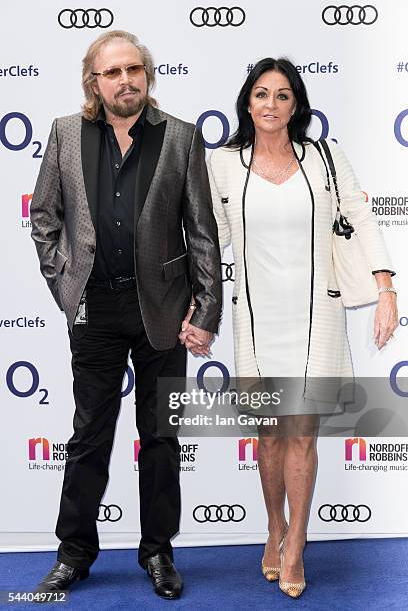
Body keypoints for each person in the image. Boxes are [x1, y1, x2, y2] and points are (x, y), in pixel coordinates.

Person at [30, 30, 221, 600]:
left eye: (133, 69)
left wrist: (206, 308)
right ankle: (74, 553)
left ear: (148, 75)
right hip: (93, 307)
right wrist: (65, 285)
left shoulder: (181, 138)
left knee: (161, 437)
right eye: (112, 72)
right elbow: (44, 216)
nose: (125, 80)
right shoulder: (67, 133)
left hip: (162, 309)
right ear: (94, 81)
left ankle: (158, 551)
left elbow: (202, 232)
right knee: (89, 434)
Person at [207, 57, 398, 598]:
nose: (271, 104)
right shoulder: (222, 164)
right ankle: (273, 527)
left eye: (283, 95)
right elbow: (207, 239)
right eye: (262, 93)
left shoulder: (326, 158)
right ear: (247, 102)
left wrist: (386, 289)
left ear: (297, 104)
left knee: (303, 432)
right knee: (269, 434)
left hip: (320, 313)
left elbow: (361, 221)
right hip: (257, 317)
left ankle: (297, 543)